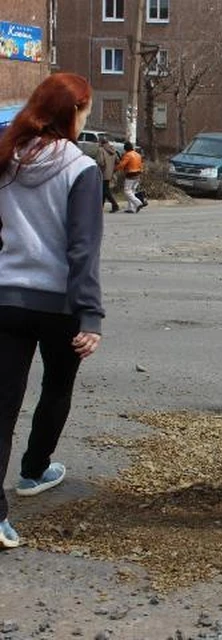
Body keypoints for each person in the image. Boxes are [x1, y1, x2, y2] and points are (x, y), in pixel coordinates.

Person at [0, 73, 105, 549]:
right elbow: (82, 250)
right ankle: (34, 470)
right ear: (72, 112)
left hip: (5, 300)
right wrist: (90, 316)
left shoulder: (7, 159)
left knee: (1, 407)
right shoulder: (80, 168)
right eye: (85, 110)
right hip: (59, 305)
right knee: (56, 387)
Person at [115, 141, 145, 213]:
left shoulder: (128, 155)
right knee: (132, 191)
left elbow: (122, 164)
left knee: (127, 191)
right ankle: (131, 208)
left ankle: (138, 203)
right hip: (138, 174)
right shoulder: (138, 155)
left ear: (125, 148)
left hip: (130, 174)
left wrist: (115, 168)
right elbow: (141, 165)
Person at [95, 135, 120, 212]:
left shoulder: (101, 150)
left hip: (102, 172)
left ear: (101, 142)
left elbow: (101, 162)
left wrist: (97, 164)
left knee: (105, 190)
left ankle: (115, 204)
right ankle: (100, 207)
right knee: (104, 189)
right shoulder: (113, 149)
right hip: (110, 172)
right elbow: (118, 161)